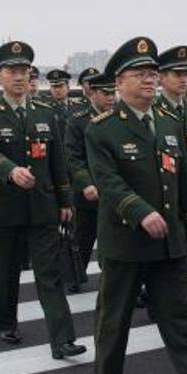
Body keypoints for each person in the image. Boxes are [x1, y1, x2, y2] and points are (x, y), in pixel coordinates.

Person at [85, 37, 187, 374]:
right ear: (119, 82)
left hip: (169, 242)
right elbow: (108, 182)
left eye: (153, 73)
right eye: (140, 74)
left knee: (180, 319)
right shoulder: (102, 129)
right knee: (114, 316)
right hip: (126, 240)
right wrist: (140, 212)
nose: (150, 80)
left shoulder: (170, 122)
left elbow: (182, 181)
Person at [0, 41, 85, 359]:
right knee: (5, 272)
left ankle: (62, 339)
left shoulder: (45, 113)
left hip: (42, 205)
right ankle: (6, 321)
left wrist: (65, 201)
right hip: (6, 206)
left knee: (49, 274)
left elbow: (57, 162)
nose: (19, 77)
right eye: (12, 71)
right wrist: (9, 170)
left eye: (24, 71)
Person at [63, 68, 115, 290]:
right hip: (89, 192)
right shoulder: (78, 121)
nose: (111, 98)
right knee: (84, 237)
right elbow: (73, 158)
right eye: (106, 93)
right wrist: (85, 183)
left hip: (114, 191)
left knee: (113, 241)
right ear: (92, 93)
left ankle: (116, 281)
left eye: (113, 93)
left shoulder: (120, 118)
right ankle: (75, 276)